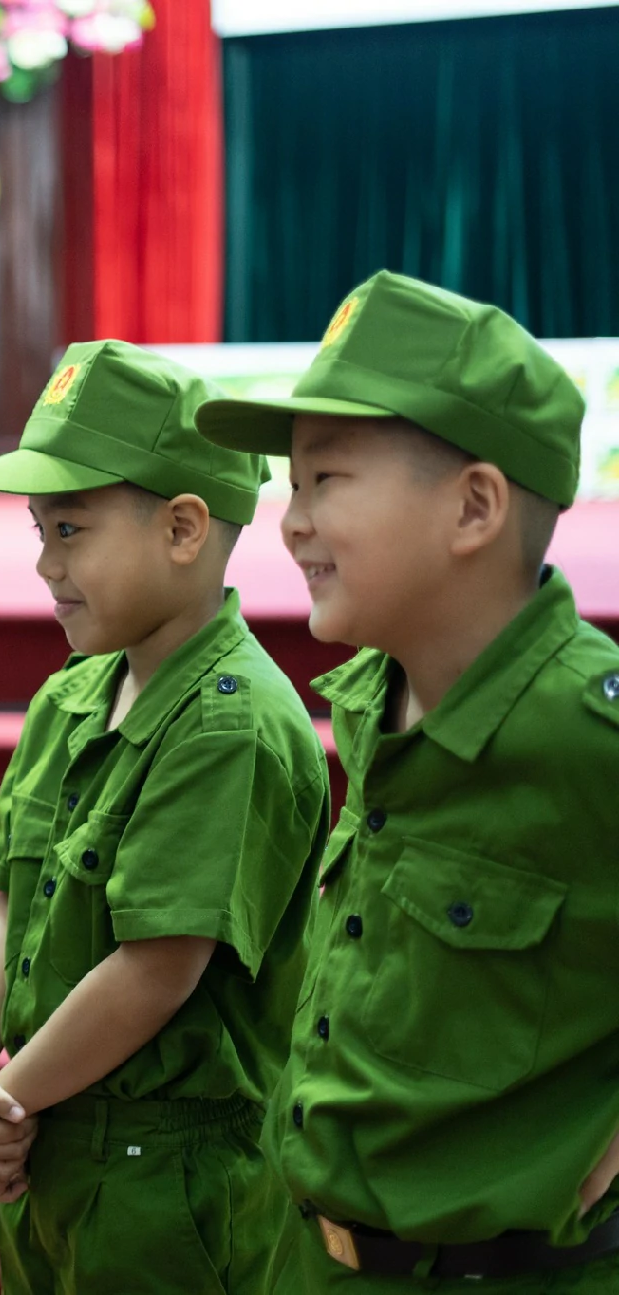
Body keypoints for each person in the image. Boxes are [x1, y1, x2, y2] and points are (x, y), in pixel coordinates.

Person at [195, 271, 619, 1289]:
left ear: (473, 506)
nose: (290, 521)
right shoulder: (367, 698)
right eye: (291, 483)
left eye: (326, 480)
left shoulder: (583, 730)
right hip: (310, 1255)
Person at [0, 341, 330, 1295]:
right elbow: (11, 904)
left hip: (173, 1185)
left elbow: (157, 968)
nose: (45, 562)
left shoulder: (232, 722)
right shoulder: (70, 696)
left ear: (184, 527)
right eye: (38, 529)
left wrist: (6, 1099)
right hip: (52, 1149)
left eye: (70, 528)